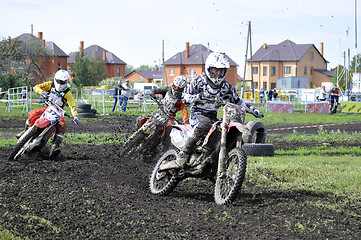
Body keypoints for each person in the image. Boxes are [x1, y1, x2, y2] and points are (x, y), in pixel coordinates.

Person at [159, 52, 264, 171]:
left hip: (213, 116)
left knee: (223, 130)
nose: (218, 73)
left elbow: (237, 101)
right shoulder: (199, 81)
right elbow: (184, 97)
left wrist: (254, 110)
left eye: (221, 70)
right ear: (209, 68)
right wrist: (197, 97)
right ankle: (183, 155)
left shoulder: (226, 87)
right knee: (205, 124)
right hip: (198, 114)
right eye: (216, 70)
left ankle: (213, 163)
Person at [16, 70, 79, 157]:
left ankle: (55, 147)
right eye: (58, 81)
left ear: (66, 82)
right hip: (46, 108)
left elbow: (72, 105)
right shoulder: (50, 84)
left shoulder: (67, 93)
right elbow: (36, 87)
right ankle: (25, 131)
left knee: (62, 125)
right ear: (55, 79)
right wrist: (42, 92)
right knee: (33, 113)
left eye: (62, 82)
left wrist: (75, 116)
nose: (60, 84)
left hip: (58, 113)